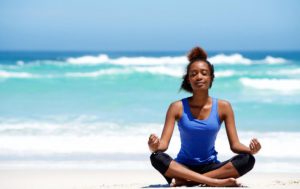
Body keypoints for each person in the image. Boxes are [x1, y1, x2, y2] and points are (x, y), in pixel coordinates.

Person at [148, 46, 261, 187]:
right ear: (188, 79)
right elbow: (163, 145)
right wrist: (154, 146)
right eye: (193, 74)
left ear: (211, 78)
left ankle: (188, 182)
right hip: (181, 168)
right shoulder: (176, 107)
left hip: (211, 167)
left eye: (204, 73)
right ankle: (213, 182)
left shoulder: (223, 107)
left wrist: (251, 150)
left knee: (248, 160)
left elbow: (235, 145)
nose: (199, 77)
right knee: (156, 157)